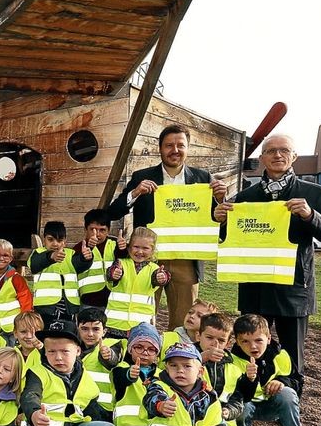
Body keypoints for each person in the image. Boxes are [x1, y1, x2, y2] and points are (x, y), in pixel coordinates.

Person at [214, 133, 321, 394]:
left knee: (292, 355)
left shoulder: (314, 194)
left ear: (294, 156)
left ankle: (289, 403)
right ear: (261, 158)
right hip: (255, 287)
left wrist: (310, 215)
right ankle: (246, 398)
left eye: (284, 150)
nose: (277, 155)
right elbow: (230, 241)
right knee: (249, 347)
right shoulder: (244, 197)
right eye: (271, 151)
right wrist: (220, 221)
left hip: (293, 289)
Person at [105, 124, 226, 328]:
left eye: (181, 145)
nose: (175, 150)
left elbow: (219, 223)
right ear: (160, 148)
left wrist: (221, 200)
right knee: (139, 315)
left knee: (184, 321)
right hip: (147, 257)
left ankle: (178, 357)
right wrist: (134, 193)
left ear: (188, 148)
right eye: (169, 145)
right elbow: (114, 212)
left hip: (186, 258)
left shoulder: (203, 179)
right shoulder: (141, 177)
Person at [229, 313, 308, 426]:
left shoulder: (281, 355)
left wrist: (282, 381)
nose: (253, 346)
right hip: (245, 406)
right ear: (237, 342)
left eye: (259, 340)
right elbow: (232, 393)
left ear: (269, 338)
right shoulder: (232, 360)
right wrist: (248, 380)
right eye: (245, 341)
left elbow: (297, 381)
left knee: (288, 394)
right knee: (241, 407)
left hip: (271, 406)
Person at [195, 312, 258, 426]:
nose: (215, 344)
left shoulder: (234, 367)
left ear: (228, 342)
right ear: (198, 335)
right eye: (209, 338)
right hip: (192, 425)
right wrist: (199, 358)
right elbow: (169, 379)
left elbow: (239, 400)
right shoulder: (184, 357)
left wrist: (229, 411)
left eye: (221, 340)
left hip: (223, 425)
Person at [104, 227, 171, 336]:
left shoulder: (154, 269)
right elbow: (110, 274)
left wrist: (162, 277)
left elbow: (161, 278)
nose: (140, 251)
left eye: (145, 248)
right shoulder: (120, 263)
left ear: (153, 250)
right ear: (129, 247)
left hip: (141, 328)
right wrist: (115, 274)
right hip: (114, 326)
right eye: (136, 247)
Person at [28, 221, 80, 323]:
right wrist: (51, 256)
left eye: (59, 240)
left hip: (69, 309)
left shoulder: (71, 254)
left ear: (65, 241)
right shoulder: (38, 253)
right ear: (44, 240)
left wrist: (87, 258)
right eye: (50, 239)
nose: (55, 244)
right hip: (45, 309)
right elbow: (34, 265)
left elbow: (82, 264)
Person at [0, 239, 33, 335]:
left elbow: (26, 303)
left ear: (11, 258)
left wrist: (24, 326)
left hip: (13, 329)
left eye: (5, 255)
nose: (1, 258)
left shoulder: (17, 278)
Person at [71, 209, 117, 309]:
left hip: (113, 300)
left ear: (108, 230)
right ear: (85, 229)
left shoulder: (115, 245)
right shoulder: (78, 248)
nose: (97, 234)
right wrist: (84, 257)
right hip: (88, 300)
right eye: (93, 229)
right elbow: (75, 266)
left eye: (102, 230)